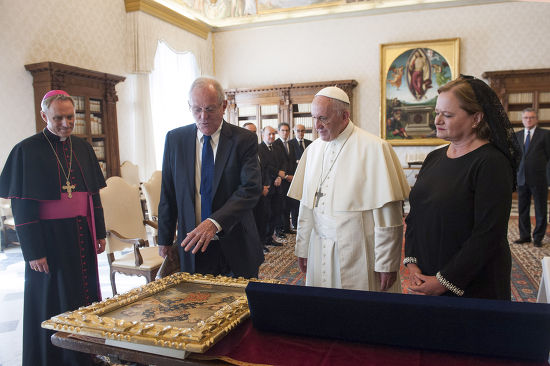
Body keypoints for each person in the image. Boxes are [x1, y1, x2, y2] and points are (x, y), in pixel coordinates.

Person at [0, 90, 107, 365]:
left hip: (81, 235)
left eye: (70, 117)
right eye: (58, 117)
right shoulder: (27, 150)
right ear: (44, 115)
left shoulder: (82, 147)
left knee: (84, 295)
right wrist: (34, 252)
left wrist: (101, 232)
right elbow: (22, 207)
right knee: (53, 298)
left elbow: (93, 195)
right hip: (48, 240)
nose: (65, 123)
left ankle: (86, 355)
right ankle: (55, 359)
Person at [404, 75, 522, 300]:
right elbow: (416, 214)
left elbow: (488, 234)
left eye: (447, 115)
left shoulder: (492, 163)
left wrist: (443, 281)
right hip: (427, 273)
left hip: (472, 282)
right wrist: (412, 262)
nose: (437, 120)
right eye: (437, 112)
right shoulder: (434, 157)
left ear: (476, 118)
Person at [288, 86, 410, 292]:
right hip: (319, 247)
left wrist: (387, 263)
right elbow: (307, 205)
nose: (316, 125)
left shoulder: (374, 148)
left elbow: (388, 214)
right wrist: (302, 248)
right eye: (314, 118)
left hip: (359, 250)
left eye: (323, 118)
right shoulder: (313, 150)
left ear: (345, 116)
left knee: (361, 313)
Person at [157, 77, 263, 278]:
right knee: (197, 306)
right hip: (192, 245)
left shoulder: (244, 140)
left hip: (235, 243)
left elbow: (250, 189)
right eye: (197, 109)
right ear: (189, 107)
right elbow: (168, 192)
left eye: (210, 109)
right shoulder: (175, 140)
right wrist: (164, 238)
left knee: (241, 306)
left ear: (224, 106)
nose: (203, 116)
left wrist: (214, 222)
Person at [514, 108, 550, 247]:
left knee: (540, 208)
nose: (528, 120)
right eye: (526, 118)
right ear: (522, 119)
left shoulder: (545, 135)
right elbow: (515, 157)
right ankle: (524, 236)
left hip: (539, 178)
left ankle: (538, 237)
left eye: (531, 117)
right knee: (523, 208)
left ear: (536, 119)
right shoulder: (517, 135)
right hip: (521, 178)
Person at [257, 126, 284, 248]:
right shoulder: (259, 148)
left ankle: (270, 238)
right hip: (267, 185)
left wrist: (279, 176)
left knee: (275, 213)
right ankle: (261, 242)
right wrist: (277, 174)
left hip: (277, 186)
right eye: (269, 134)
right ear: (263, 135)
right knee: (264, 215)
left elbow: (282, 163)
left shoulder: (277, 148)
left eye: (274, 134)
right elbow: (265, 166)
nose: (272, 136)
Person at [273, 122, 297, 235]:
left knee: (289, 204)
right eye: (282, 130)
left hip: (290, 180)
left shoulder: (291, 144)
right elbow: (277, 163)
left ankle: (287, 228)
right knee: (280, 206)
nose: (285, 132)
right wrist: (285, 176)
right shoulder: (274, 144)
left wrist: (292, 176)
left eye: (287, 130)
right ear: (278, 132)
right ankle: (279, 229)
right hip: (280, 180)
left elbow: (292, 162)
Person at [288, 124, 312, 228]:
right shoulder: (290, 143)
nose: (300, 133)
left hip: (308, 175)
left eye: (302, 131)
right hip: (294, 175)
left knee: (306, 199)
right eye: (298, 131)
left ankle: (306, 222)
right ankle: (295, 223)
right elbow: (288, 160)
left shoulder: (310, 143)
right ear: (294, 131)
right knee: (295, 200)